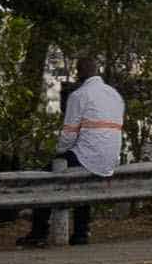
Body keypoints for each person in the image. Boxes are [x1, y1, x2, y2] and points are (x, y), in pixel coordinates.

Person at [44, 55, 124, 248]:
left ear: (79, 73)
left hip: (87, 155)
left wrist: (60, 152)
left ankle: (38, 231)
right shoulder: (115, 95)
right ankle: (80, 232)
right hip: (110, 158)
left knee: (45, 179)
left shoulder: (79, 95)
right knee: (82, 180)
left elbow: (69, 133)